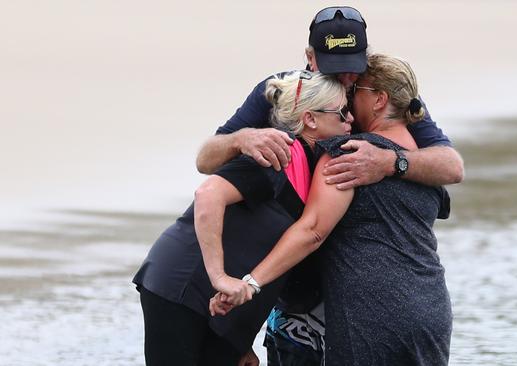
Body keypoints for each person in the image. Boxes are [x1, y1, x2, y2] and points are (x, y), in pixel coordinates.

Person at [196, 6, 462, 365]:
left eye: (353, 68)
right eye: (334, 69)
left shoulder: (380, 95)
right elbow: (205, 161)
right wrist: (241, 139)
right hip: (297, 290)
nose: (345, 81)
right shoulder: (282, 91)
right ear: (309, 59)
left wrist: (388, 162)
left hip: (362, 288)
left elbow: (451, 165)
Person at [132, 71, 353, 366]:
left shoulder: (311, 166)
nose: (351, 119)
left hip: (222, 306)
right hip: (181, 284)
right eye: (343, 112)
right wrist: (218, 277)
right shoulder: (280, 153)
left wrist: (241, 342)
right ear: (311, 119)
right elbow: (208, 194)